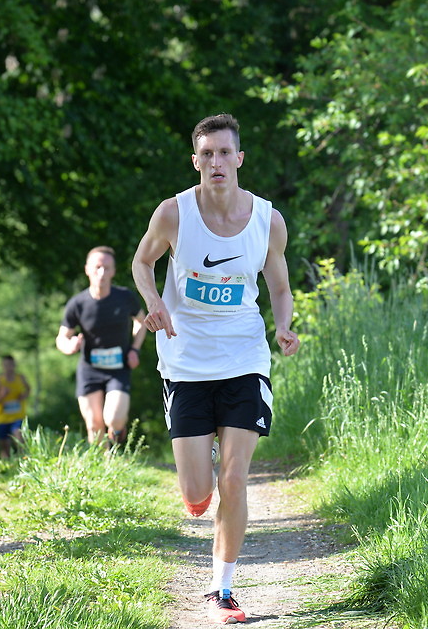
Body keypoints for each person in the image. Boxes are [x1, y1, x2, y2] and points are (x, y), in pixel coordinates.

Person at [131, 113, 300, 624]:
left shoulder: (267, 220)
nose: (216, 162)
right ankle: (199, 472)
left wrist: (284, 326)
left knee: (235, 478)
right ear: (195, 161)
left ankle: (222, 589)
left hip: (244, 358)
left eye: (225, 152)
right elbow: (142, 262)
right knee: (196, 492)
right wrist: (154, 302)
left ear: (239, 158)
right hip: (185, 362)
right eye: (207, 153)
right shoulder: (174, 213)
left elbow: (280, 287)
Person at [56, 246, 148, 446]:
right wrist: (69, 345)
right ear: (87, 269)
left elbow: (141, 322)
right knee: (94, 424)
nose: (102, 272)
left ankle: (118, 431)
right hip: (90, 369)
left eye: (107, 268)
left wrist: (135, 349)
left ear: (113, 271)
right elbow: (62, 337)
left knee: (113, 418)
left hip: (118, 367)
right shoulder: (77, 304)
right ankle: (106, 462)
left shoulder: (125, 297)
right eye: (97, 267)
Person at [0, 354, 30, 459]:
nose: (9, 367)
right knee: (5, 449)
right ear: (2, 366)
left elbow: (28, 389)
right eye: (6, 365)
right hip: (3, 420)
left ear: (14, 365)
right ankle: (7, 466)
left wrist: (24, 395)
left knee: (19, 439)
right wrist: (2, 395)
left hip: (18, 417)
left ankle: (25, 461)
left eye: (11, 364)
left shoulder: (20, 378)